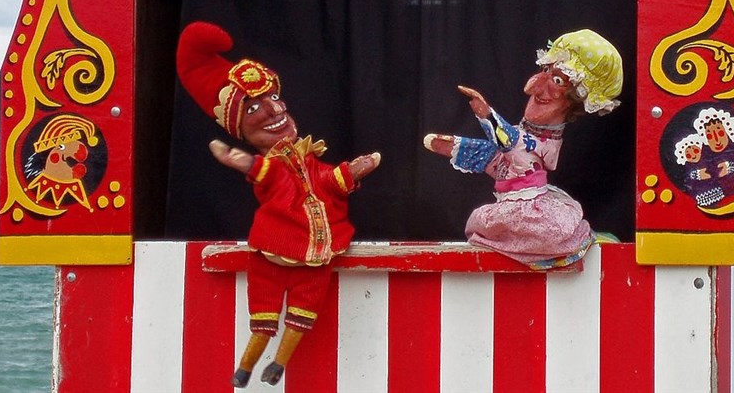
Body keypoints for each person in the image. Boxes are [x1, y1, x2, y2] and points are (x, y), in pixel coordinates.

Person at [176, 21, 380, 388]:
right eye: (254, 107)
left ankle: (278, 365)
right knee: (264, 319)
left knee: (303, 315)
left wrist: (350, 172)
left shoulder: (306, 158)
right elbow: (265, 174)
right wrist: (239, 161)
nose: (273, 110)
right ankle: (245, 368)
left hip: (316, 253)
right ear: (240, 127)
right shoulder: (274, 166)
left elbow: (326, 180)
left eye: (273, 97)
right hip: (275, 248)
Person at [424, 29, 622, 269]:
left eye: (558, 80)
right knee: (483, 225)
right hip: (509, 204)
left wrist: (486, 114)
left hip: (529, 210)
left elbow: (512, 144)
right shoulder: (524, 136)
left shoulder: (539, 143)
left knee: (549, 233)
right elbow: (497, 157)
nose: (535, 88)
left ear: (575, 98)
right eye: (545, 70)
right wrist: (457, 147)